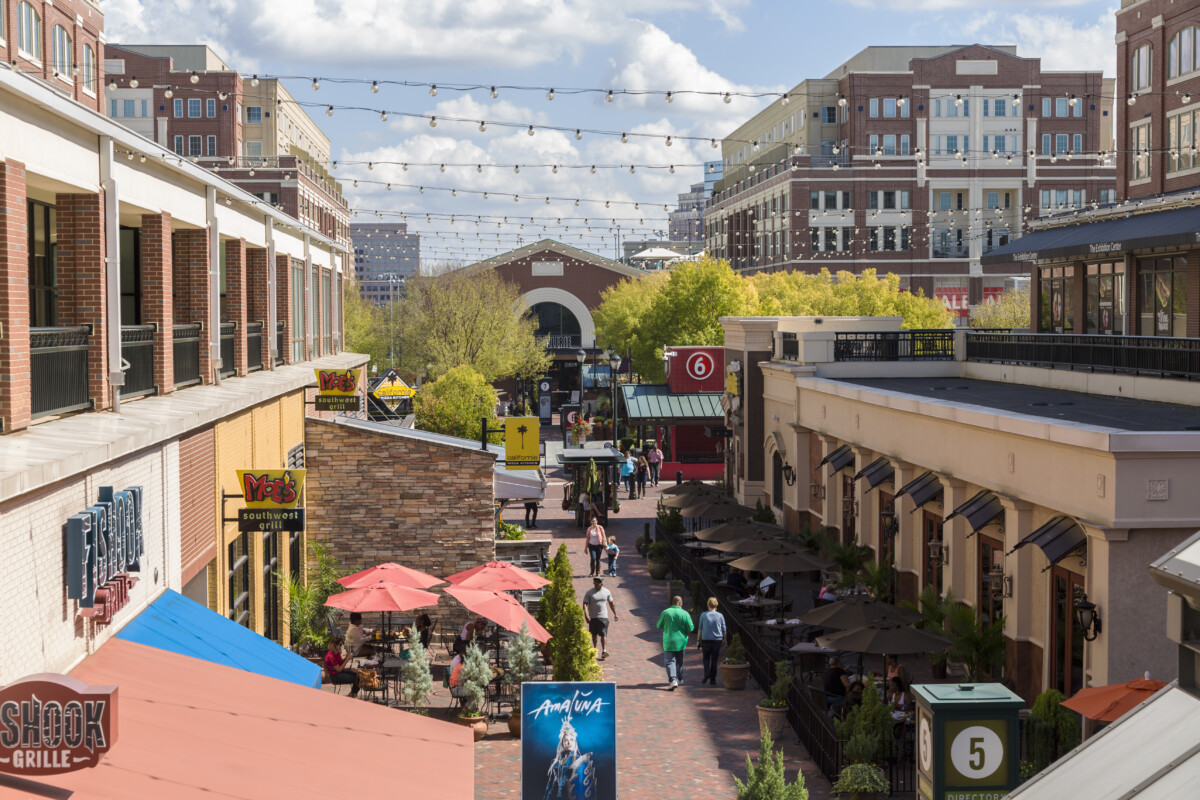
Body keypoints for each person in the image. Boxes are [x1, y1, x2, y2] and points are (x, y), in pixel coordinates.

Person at [656, 595, 695, 690]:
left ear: (672, 603)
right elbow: (691, 628)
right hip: (681, 642)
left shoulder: (666, 612)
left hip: (669, 641)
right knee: (679, 661)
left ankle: (673, 679)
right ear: (681, 603)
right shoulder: (685, 613)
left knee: (670, 661)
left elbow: (658, 625)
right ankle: (680, 678)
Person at [582, 577, 618, 659]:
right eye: (595, 582)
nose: (596, 584)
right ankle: (594, 649)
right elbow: (585, 605)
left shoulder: (607, 592)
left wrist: (615, 614)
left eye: (598, 582)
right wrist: (586, 615)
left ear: (601, 583)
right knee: (594, 635)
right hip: (593, 617)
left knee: (603, 634)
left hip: (603, 616)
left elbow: (611, 603)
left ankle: (604, 651)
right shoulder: (589, 593)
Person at [697, 597, 727, 686]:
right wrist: (725, 639)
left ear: (708, 605)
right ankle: (713, 679)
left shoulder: (704, 615)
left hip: (706, 639)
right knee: (714, 659)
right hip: (717, 640)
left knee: (706, 658)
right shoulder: (720, 615)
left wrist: (698, 640)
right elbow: (724, 628)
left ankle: (707, 673)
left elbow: (700, 628)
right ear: (716, 605)